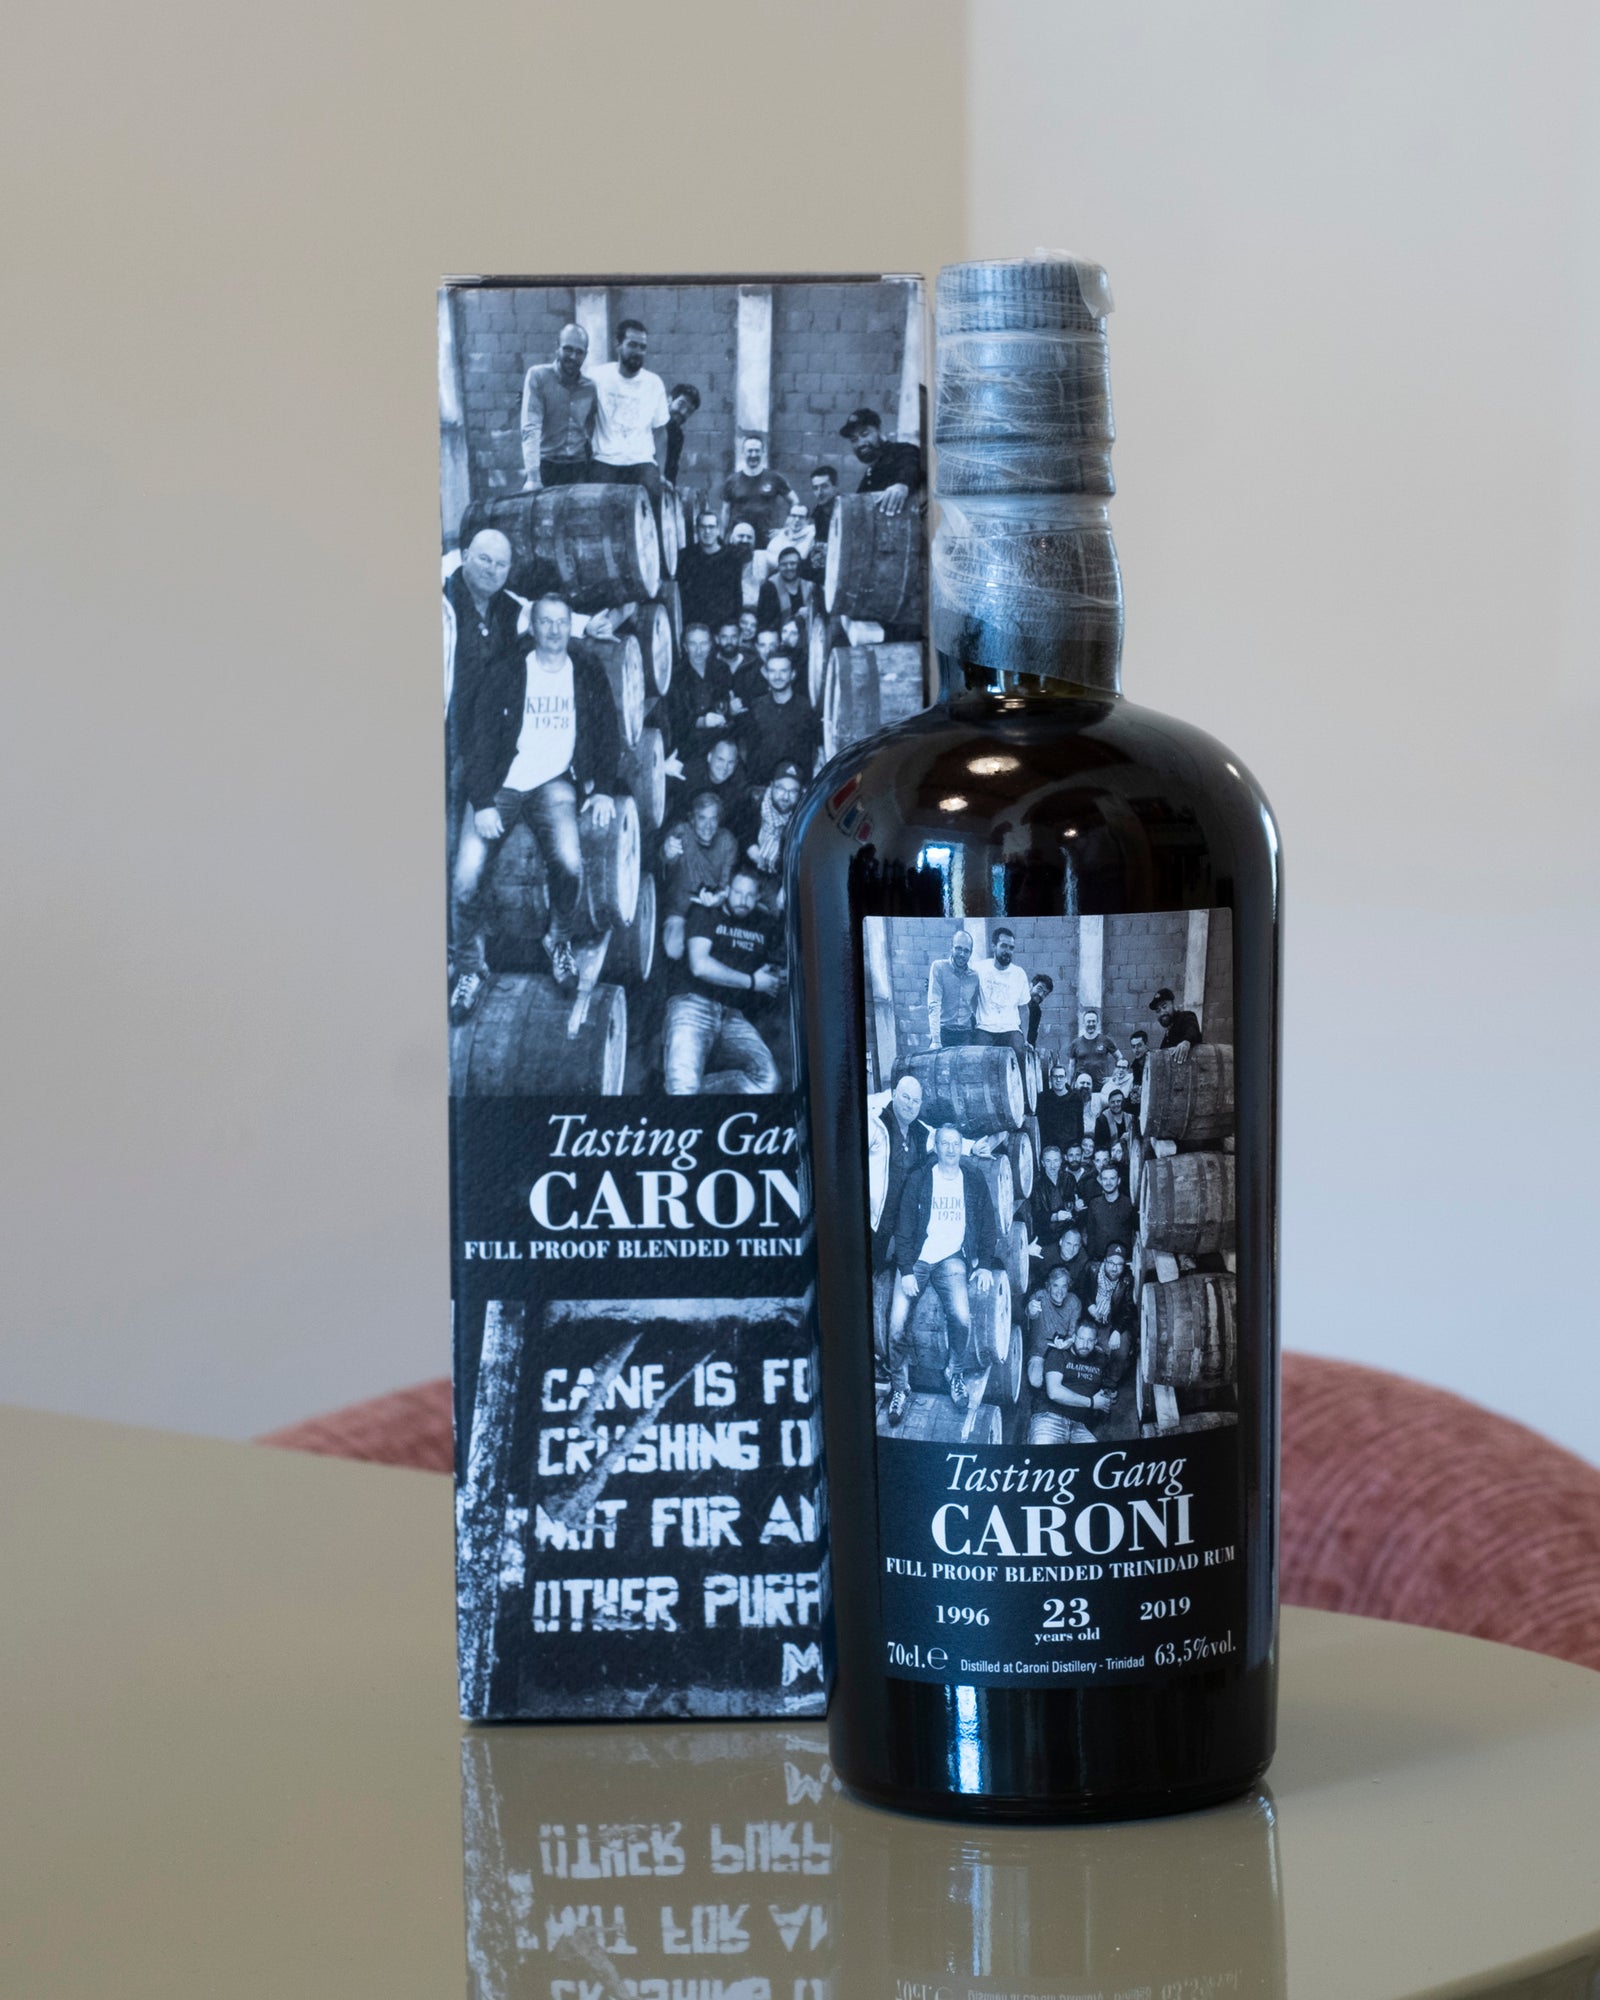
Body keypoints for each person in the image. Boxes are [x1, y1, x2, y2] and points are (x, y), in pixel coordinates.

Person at [448, 594, 620, 1014]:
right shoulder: (507, 670)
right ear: (533, 626)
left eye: (562, 622)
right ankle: (470, 967)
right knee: (465, 877)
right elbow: (480, 739)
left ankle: (558, 939)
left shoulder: (587, 670)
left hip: (555, 783)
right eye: (546, 622)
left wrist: (603, 788)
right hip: (503, 784)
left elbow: (607, 729)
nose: (554, 630)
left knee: (570, 865)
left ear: (570, 626)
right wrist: (482, 802)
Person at [883, 1124, 999, 1424]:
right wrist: (906, 1270)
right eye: (944, 1143)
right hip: (918, 1258)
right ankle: (900, 1388)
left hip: (952, 1258)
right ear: (935, 1147)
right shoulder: (920, 1178)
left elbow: (988, 1222)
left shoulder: (973, 1178)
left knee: (961, 1317)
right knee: (896, 1323)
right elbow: (904, 1227)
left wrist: (985, 1264)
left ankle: (954, 1372)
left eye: (955, 1144)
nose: (950, 1149)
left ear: (961, 1147)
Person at [663, 868, 784, 1094]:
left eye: (749, 895)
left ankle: (689, 1096)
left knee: (769, 1081)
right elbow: (699, 966)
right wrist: (752, 982)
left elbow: (776, 966)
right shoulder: (707, 911)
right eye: (737, 893)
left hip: (732, 1015)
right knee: (682, 1087)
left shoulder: (764, 923)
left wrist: (774, 978)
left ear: (758, 896)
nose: (742, 900)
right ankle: (682, 1094)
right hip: (692, 1003)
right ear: (727, 890)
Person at [443, 528, 523, 721]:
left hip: (491, 731)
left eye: (501, 564)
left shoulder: (508, 607)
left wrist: (586, 625)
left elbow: (541, 613)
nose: (492, 570)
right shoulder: (443, 602)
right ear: (465, 557)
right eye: (485, 559)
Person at [589, 319, 669, 499]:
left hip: (642, 461)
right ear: (617, 345)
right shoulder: (597, 376)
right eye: (632, 345)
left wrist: (661, 473)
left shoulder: (654, 383)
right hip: (605, 459)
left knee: (654, 494)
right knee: (597, 504)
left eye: (643, 347)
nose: (638, 352)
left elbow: (660, 432)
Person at [659, 792, 738, 960]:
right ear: (692, 819)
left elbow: (725, 884)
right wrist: (667, 850)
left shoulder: (727, 840)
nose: (708, 826)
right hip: (679, 910)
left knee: (720, 953)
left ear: (719, 820)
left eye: (713, 819)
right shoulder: (682, 832)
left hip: (711, 910)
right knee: (673, 950)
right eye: (702, 818)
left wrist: (717, 899)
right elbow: (667, 856)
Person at [873, 1074, 934, 1273]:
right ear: (893, 1095)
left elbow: (942, 1139)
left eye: (915, 1101)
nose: (910, 1105)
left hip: (898, 1224)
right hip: (873, 1220)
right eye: (905, 1097)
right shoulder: (876, 1124)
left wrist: (972, 1147)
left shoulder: (919, 1132)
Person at [1029, 1321, 1123, 1445]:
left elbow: (1106, 1387)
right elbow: (1054, 1392)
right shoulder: (1059, 1353)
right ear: (1074, 1338)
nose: (1085, 1345)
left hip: (1079, 1426)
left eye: (1090, 1340)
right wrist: (1091, 1402)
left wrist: (1107, 1395)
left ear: (1095, 1342)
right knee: (1042, 1451)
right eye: (1081, 1339)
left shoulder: (1100, 1360)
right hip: (1050, 1418)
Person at [740, 652, 819, 786]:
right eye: (772, 671)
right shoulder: (755, 707)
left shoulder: (807, 709)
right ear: (766, 674)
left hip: (795, 787)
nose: (777, 677)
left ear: (792, 674)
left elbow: (818, 748)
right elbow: (747, 747)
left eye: (783, 671)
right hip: (762, 785)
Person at [839, 406, 924, 516]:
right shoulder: (870, 472)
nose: (860, 443)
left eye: (865, 434)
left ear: (879, 431)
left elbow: (911, 464)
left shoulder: (902, 451)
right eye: (854, 439)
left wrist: (901, 485)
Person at [671, 623, 739, 748]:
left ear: (711, 645)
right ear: (685, 647)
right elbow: (677, 718)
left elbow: (726, 704)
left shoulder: (722, 669)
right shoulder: (676, 676)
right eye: (693, 644)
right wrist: (703, 721)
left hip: (721, 740)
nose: (699, 650)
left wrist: (731, 710)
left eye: (703, 644)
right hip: (691, 745)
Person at [676, 511, 746, 632]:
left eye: (711, 527)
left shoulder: (732, 557)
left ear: (718, 530)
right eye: (703, 527)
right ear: (696, 530)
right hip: (695, 625)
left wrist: (734, 623)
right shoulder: (685, 556)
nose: (707, 531)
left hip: (723, 624)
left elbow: (737, 593)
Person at [972, 927, 1032, 1059]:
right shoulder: (979, 968)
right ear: (993, 946)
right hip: (985, 1027)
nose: (1008, 951)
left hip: (1010, 1029)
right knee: (977, 1057)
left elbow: (1024, 1009)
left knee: (1020, 1052)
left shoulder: (1019, 974)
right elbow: (960, 978)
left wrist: (1025, 1039)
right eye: (1004, 946)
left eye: (1011, 948)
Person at [1024, 1262, 1083, 1394]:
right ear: (1049, 1286)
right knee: (1035, 1381)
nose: (1059, 1291)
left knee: (1071, 1382)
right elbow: (1032, 1313)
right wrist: (1030, 1309)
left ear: (1068, 1287)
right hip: (1039, 1352)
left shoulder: (1074, 1301)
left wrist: (1066, 1343)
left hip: (1062, 1352)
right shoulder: (1040, 1296)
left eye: (1064, 1286)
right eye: (1055, 1285)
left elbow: (1072, 1333)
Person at [722, 434, 795, 539]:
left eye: (757, 451)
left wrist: (785, 529)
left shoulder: (774, 478)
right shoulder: (732, 480)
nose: (753, 454)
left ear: (763, 452)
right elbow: (725, 511)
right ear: (743, 452)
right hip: (740, 539)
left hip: (766, 539)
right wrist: (722, 537)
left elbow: (795, 502)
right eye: (750, 451)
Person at [745, 763, 805, 885]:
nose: (786, 797)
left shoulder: (803, 816)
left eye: (793, 791)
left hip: (779, 880)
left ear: (800, 793)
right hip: (747, 871)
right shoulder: (754, 802)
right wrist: (748, 846)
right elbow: (737, 831)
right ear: (771, 786)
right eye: (781, 789)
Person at [926, 930, 981, 1048]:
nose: (962, 954)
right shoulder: (939, 968)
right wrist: (936, 1040)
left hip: (965, 1033)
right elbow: (934, 1004)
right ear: (951, 947)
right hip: (943, 1031)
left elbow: (975, 1006)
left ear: (971, 953)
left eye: (966, 951)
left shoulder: (974, 977)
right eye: (958, 948)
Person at [1079, 1241, 1137, 1345]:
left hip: (1111, 1324)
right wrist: (1089, 1305)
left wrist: (1117, 1330)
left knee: (1122, 1343)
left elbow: (1128, 1309)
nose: (1114, 1268)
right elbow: (1079, 1289)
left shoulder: (1127, 1280)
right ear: (1105, 1260)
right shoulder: (1092, 1268)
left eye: (1119, 1264)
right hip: (1088, 1320)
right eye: (1111, 1263)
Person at [1079, 1162, 1138, 1265]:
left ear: (1118, 1181)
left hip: (1123, 1260)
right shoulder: (1094, 1204)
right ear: (1101, 1181)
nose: (1108, 1182)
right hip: (1100, 1259)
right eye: (1105, 1179)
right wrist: (1091, 1258)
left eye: (1112, 1178)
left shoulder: (1129, 1204)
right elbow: (1091, 1234)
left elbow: (1137, 1232)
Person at [756, 544, 816, 639]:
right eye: (784, 564)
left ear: (799, 565)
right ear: (779, 567)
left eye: (793, 563)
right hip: (779, 637)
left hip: (807, 637)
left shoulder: (809, 585)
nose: (789, 567)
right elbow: (766, 622)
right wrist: (795, 618)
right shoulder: (768, 587)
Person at [1066, 1007, 1121, 1090]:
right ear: (1084, 1023)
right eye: (1088, 1021)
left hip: (1101, 1086)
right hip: (1082, 1086)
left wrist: (1113, 1077)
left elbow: (1120, 1058)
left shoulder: (1105, 1040)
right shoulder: (1076, 1043)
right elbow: (1071, 1066)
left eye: (1093, 1021)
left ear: (1097, 1022)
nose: (1091, 1024)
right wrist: (1069, 1085)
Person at [1035, 1062, 1081, 1156]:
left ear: (1066, 1079)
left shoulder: (1075, 1098)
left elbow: (1080, 1126)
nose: (1058, 1080)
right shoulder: (1043, 1098)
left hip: (1069, 1149)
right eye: (1055, 1077)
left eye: (1061, 1076)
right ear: (1050, 1079)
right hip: (1050, 1149)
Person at [1149, 987, 1202, 1061]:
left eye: (1164, 1007)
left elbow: (1192, 1029)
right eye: (1158, 1011)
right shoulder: (1168, 1032)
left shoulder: (1186, 1016)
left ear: (1173, 1004)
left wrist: (1186, 1042)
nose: (1162, 1013)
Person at [663, 382, 700, 485]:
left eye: (689, 411)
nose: (683, 412)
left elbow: (671, 470)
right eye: (681, 404)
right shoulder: (650, 421)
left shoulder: (677, 435)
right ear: (669, 400)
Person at [765, 496, 816, 569]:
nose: (797, 520)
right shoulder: (780, 535)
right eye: (793, 516)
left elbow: (801, 557)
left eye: (801, 517)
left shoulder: (811, 536)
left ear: (807, 520)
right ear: (788, 518)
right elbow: (769, 555)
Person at [807, 463, 840, 562]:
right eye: (815, 488)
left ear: (835, 487)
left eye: (824, 486)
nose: (819, 492)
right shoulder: (818, 512)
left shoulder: (846, 509)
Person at [1027, 972, 1054, 1049]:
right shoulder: (1016, 1001)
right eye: (1039, 989)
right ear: (1031, 986)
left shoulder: (1036, 1011)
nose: (1041, 995)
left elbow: (1032, 1036)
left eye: (1045, 994)